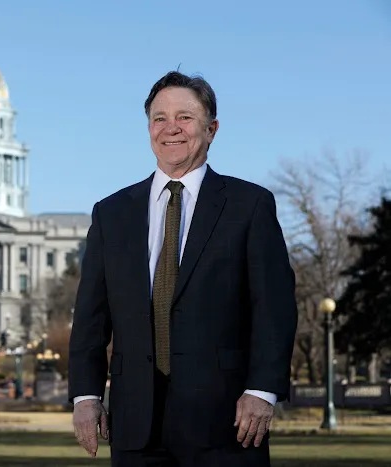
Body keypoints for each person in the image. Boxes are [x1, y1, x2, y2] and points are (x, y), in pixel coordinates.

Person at [68, 71, 297, 467]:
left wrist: (262, 390)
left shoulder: (250, 205)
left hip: (226, 423)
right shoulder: (111, 213)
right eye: (159, 118)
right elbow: (91, 317)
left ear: (211, 129)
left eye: (185, 117)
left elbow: (274, 308)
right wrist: (86, 396)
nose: (170, 128)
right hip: (136, 424)